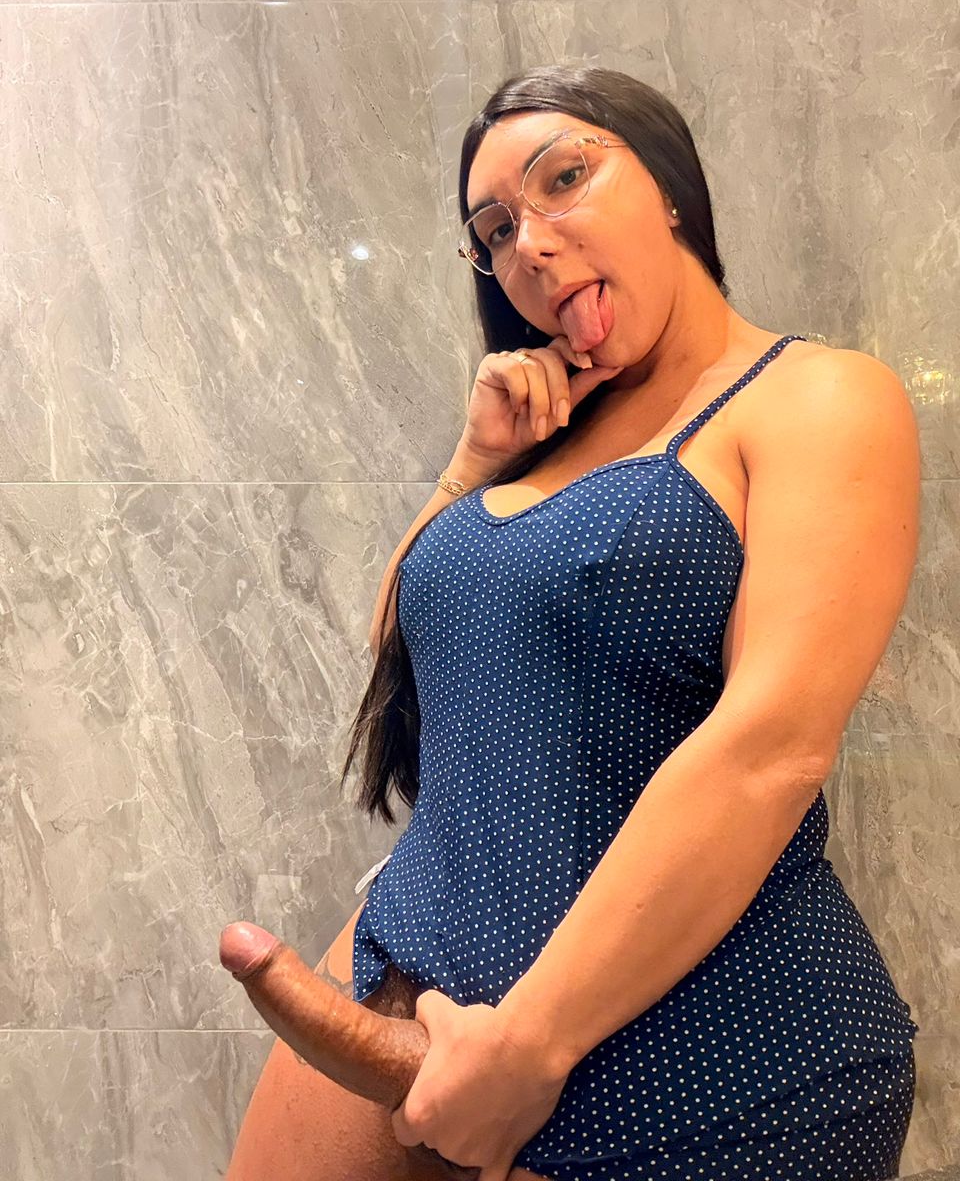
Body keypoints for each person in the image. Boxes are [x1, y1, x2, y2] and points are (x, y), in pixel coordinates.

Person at [221, 65, 921, 1181]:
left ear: (672, 186)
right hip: (418, 962)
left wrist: (528, 1046)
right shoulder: (543, 427)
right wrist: (474, 461)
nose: (530, 245)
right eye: (496, 230)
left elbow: (771, 745)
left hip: (711, 1057)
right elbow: (407, 640)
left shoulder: (816, 395)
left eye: (563, 179)